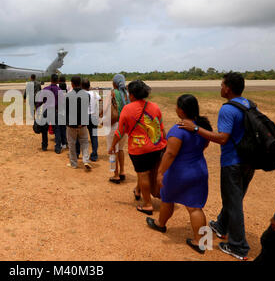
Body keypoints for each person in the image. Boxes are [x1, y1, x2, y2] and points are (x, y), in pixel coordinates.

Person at [179, 72, 255, 261]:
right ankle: (221, 226)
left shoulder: (228, 109)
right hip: (249, 160)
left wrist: (196, 128)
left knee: (234, 202)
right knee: (234, 197)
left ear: (228, 88)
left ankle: (238, 247)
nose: (220, 87)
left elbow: (222, 138)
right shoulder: (249, 104)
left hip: (233, 162)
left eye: (222, 84)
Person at [146, 94, 213, 254]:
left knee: (167, 200)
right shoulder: (203, 127)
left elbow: (170, 154)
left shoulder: (178, 130)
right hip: (199, 171)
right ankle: (201, 242)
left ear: (181, 111)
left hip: (179, 173)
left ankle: (160, 224)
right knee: (195, 208)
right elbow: (204, 146)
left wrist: (160, 172)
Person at [109, 80, 167, 215]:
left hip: (139, 149)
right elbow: (161, 128)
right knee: (146, 171)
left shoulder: (127, 109)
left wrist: (113, 146)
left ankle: (147, 204)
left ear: (132, 94)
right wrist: (167, 144)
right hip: (157, 146)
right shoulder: (155, 107)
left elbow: (120, 131)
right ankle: (138, 190)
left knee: (143, 174)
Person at [105, 74, 130, 183]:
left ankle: (115, 174)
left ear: (114, 83)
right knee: (120, 149)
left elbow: (105, 108)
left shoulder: (112, 93)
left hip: (114, 125)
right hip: (125, 126)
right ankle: (122, 171)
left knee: (112, 149)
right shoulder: (127, 94)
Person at [66, 76, 92, 170]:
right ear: (80, 83)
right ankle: (86, 161)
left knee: (72, 143)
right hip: (83, 123)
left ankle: (74, 163)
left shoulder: (68, 95)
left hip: (71, 124)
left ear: (72, 84)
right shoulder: (86, 95)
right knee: (84, 142)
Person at [37, 74, 67, 153]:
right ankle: (57, 148)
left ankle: (44, 146)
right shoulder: (59, 90)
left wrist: (37, 109)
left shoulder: (45, 89)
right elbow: (62, 103)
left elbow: (39, 101)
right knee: (57, 130)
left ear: (50, 80)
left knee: (44, 130)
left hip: (46, 111)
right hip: (55, 111)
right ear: (57, 81)